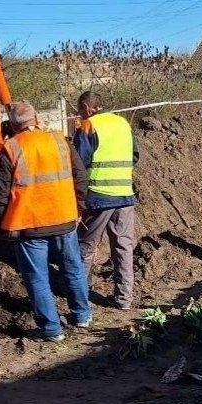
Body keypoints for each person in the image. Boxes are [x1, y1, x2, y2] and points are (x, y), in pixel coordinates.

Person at [0, 101, 92, 342]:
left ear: (13, 125)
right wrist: (80, 208)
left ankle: (51, 330)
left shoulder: (10, 148)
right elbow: (80, 178)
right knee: (73, 268)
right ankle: (83, 316)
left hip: (30, 225)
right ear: (36, 119)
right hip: (65, 218)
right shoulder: (60, 141)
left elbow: (0, 194)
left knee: (37, 278)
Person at [73, 91, 138, 310]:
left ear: (86, 106)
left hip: (99, 195)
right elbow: (135, 155)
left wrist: (78, 198)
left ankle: (79, 298)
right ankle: (124, 299)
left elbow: (79, 164)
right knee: (123, 246)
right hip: (125, 194)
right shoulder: (122, 123)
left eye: (80, 109)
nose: (80, 114)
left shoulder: (87, 126)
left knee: (86, 246)